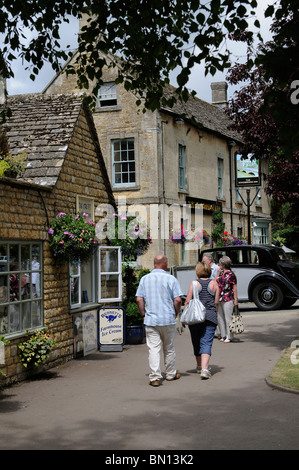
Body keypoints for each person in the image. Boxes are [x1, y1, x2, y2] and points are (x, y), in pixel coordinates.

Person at [136, 254, 183, 387]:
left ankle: (155, 377)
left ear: (154, 264)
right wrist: (175, 313)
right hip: (168, 318)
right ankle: (170, 374)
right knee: (169, 348)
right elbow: (178, 299)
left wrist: (143, 314)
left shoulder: (144, 279)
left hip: (151, 320)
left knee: (153, 349)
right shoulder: (171, 279)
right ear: (165, 264)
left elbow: (139, 299)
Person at [184, 261, 219, 379]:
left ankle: (199, 366)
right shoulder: (215, 284)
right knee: (207, 341)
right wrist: (215, 313)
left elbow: (188, 301)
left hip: (195, 317)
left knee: (196, 341)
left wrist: (184, 318)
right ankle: (205, 369)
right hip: (210, 316)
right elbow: (216, 302)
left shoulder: (194, 284)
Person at [216, 256, 238, 343]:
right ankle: (223, 335)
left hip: (228, 297)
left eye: (220, 264)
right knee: (220, 317)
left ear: (224, 265)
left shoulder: (231, 274)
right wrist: (217, 273)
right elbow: (214, 283)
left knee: (227, 317)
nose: (219, 265)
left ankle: (229, 336)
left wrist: (235, 299)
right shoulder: (220, 273)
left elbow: (234, 288)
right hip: (220, 298)